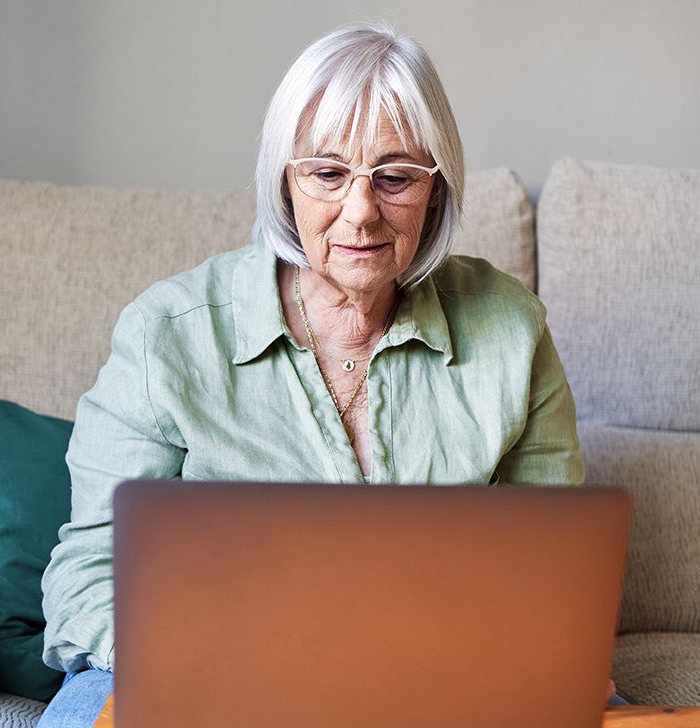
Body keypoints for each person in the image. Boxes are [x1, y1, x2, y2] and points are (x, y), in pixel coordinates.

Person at [36, 22, 617, 726]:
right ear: (285, 180)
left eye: (396, 176)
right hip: (209, 680)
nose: (362, 210)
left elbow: (552, 582)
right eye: (327, 173)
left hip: (436, 685)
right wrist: (233, 672)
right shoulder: (169, 336)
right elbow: (90, 576)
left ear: (436, 190)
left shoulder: (512, 331)